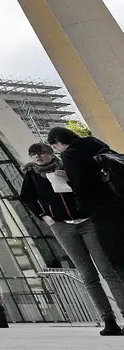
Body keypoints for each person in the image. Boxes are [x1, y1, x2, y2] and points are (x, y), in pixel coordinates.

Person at [21, 141, 123, 335]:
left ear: (50, 152)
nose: (38, 157)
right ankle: (108, 320)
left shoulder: (67, 165)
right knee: (88, 275)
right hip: (62, 227)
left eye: (41, 153)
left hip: (87, 222)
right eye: (34, 154)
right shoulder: (32, 175)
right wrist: (44, 216)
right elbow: (26, 197)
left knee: (107, 270)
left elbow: (87, 184)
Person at [50, 127, 124, 274]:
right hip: (119, 199)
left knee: (117, 258)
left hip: (102, 209)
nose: (57, 150)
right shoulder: (96, 143)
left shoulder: (70, 154)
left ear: (58, 141)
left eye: (54, 146)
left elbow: (81, 185)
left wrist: (81, 205)